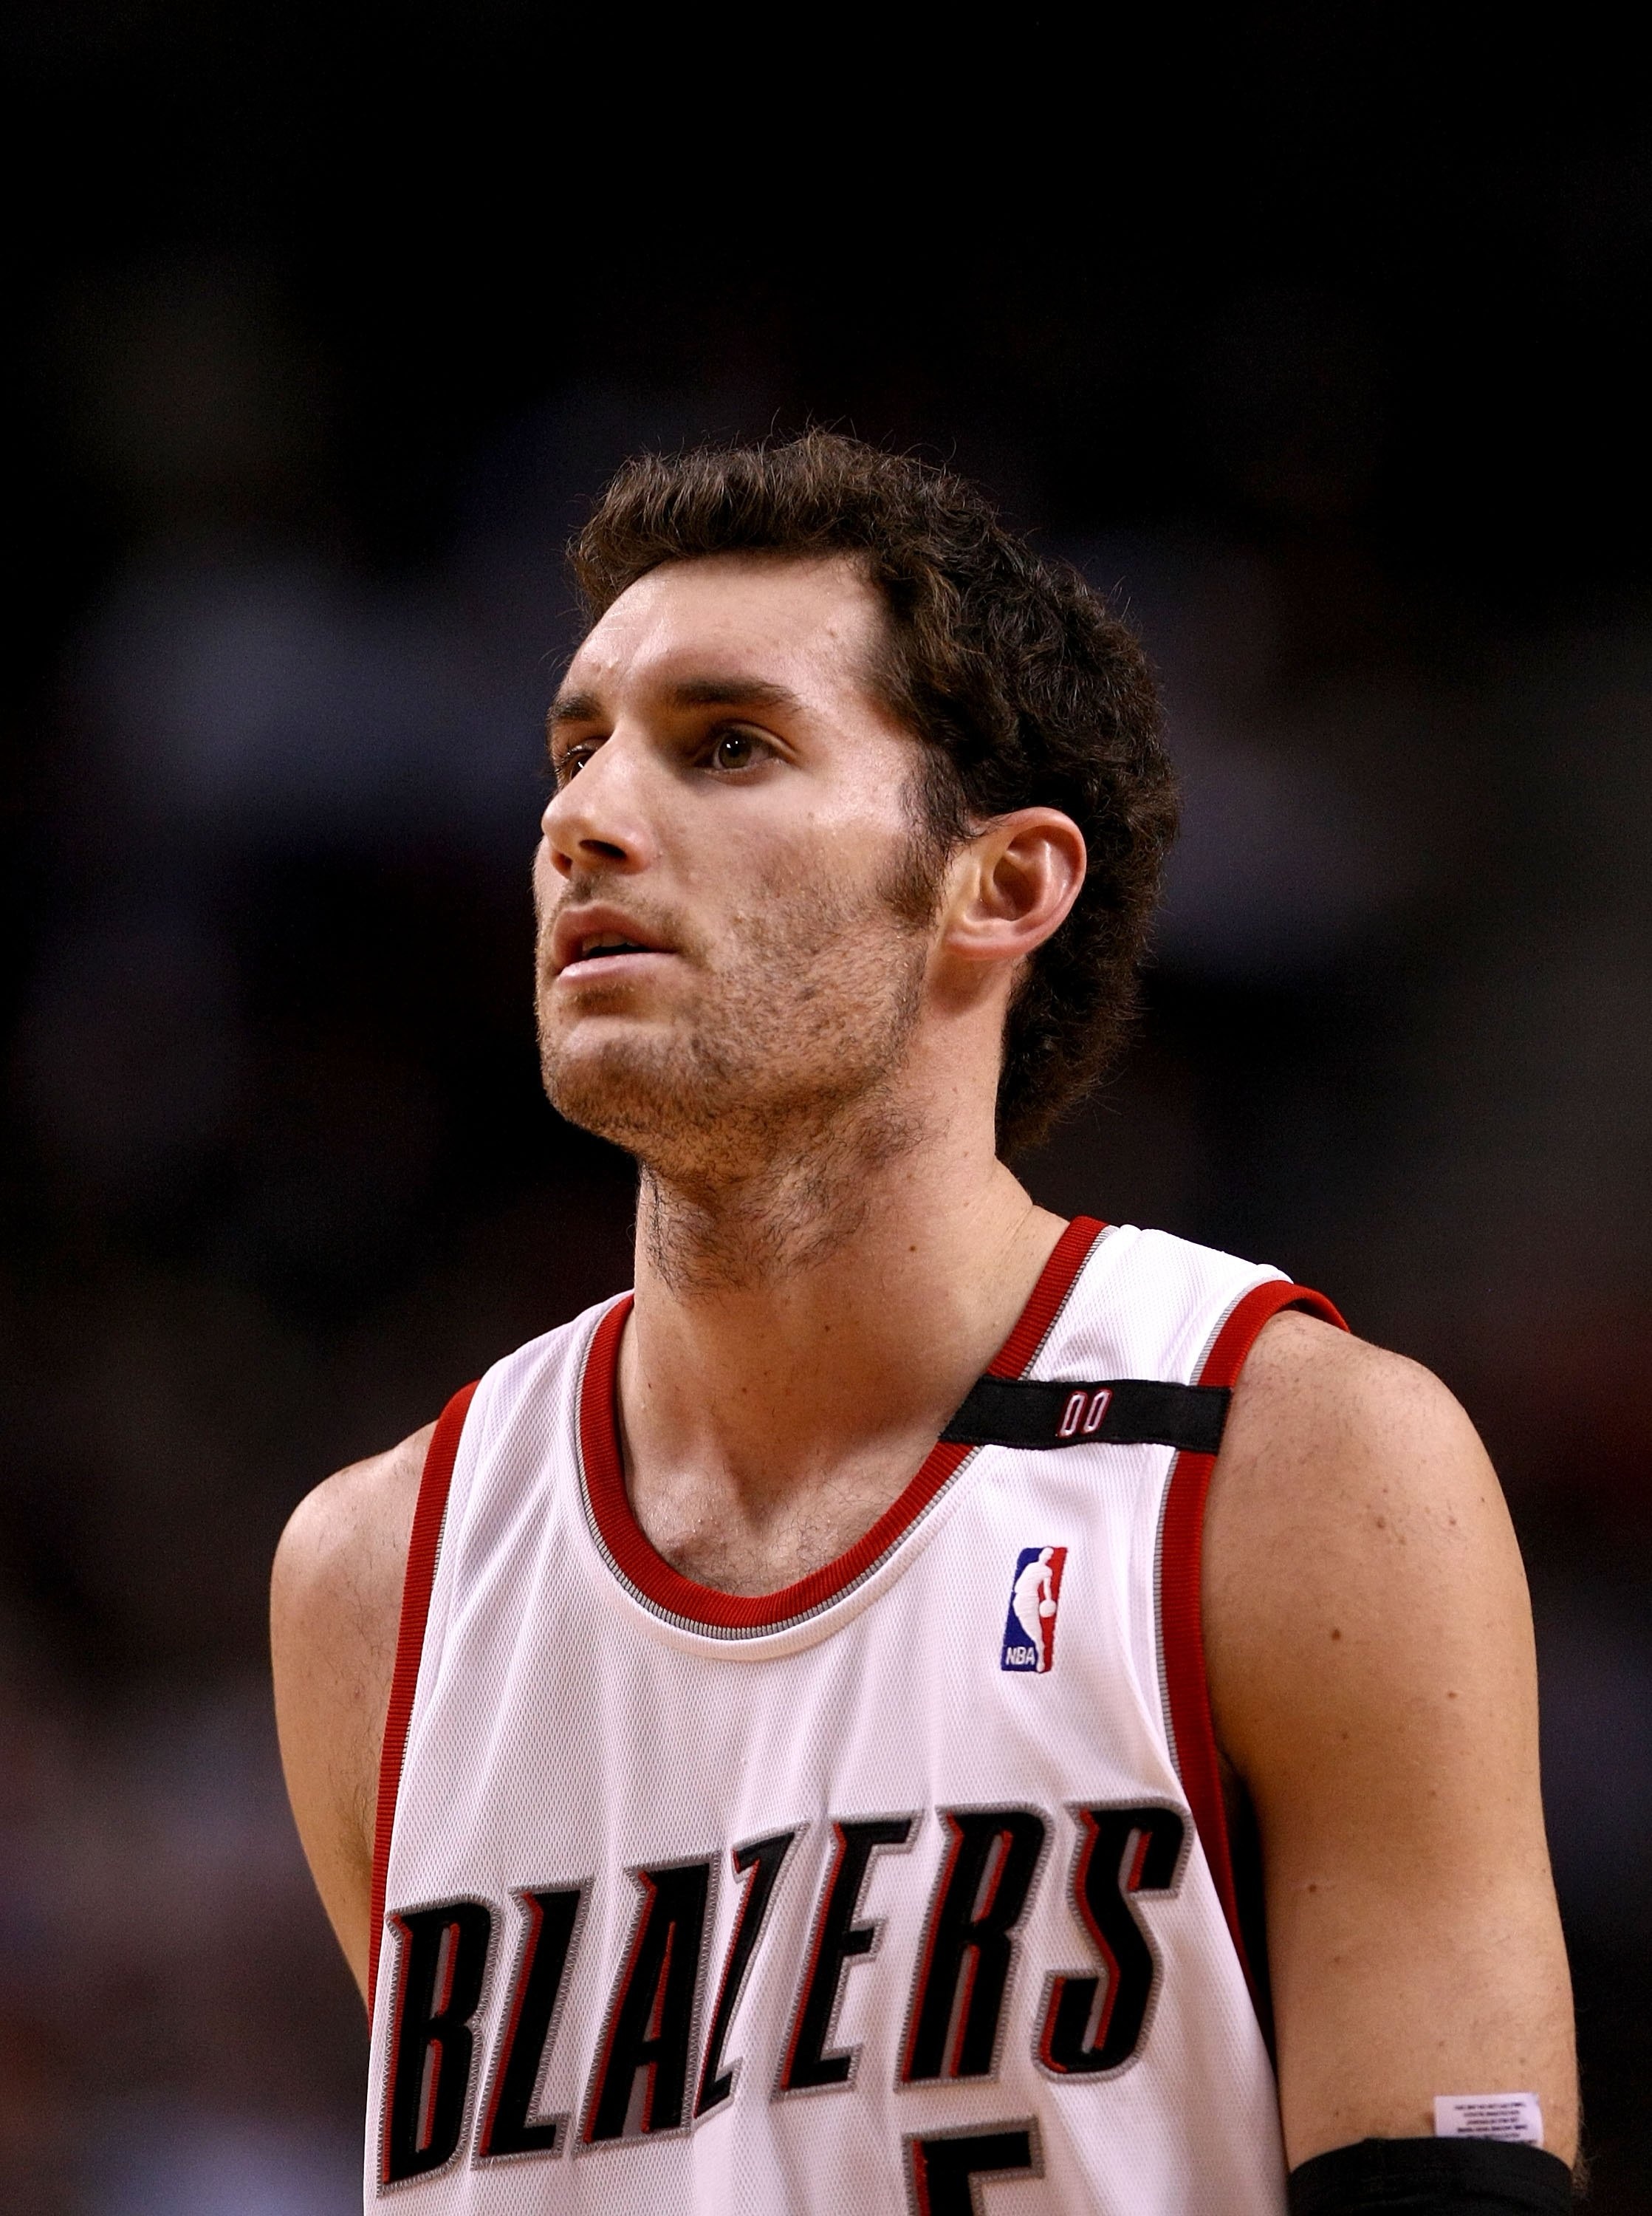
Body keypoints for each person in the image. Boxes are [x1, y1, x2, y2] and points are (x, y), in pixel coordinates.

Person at [271, 434, 1577, 2214]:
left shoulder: (1297, 1464)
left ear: (1003, 883)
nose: (583, 817)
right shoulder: (376, 1576)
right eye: (575, 751)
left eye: (727, 745)